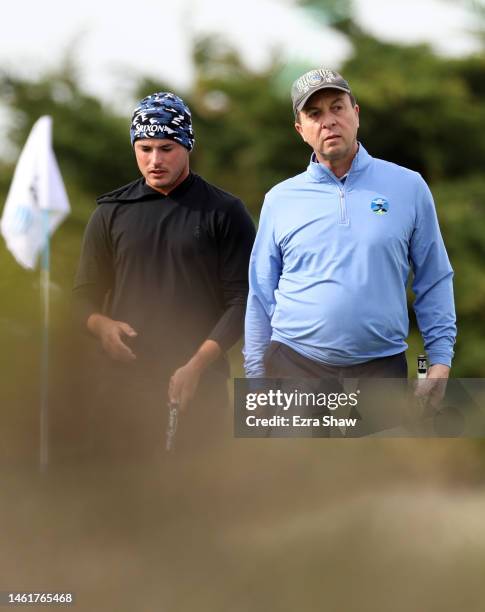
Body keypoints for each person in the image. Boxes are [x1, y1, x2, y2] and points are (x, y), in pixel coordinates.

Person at [244, 69, 456, 404]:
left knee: (373, 459)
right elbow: (260, 294)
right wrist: (255, 382)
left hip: (380, 369)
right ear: (301, 130)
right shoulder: (279, 199)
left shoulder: (409, 186)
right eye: (314, 114)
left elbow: (434, 278)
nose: (328, 121)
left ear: (355, 114)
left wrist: (440, 361)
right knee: (297, 460)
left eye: (337, 108)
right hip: (293, 365)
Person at [73, 92, 255, 456]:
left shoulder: (224, 211)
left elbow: (243, 300)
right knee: (121, 490)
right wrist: (102, 326)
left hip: (199, 379)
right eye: (145, 148)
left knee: (197, 493)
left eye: (166, 148)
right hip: (123, 383)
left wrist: (197, 364)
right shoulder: (111, 212)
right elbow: (83, 296)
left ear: (187, 145)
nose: (154, 160)